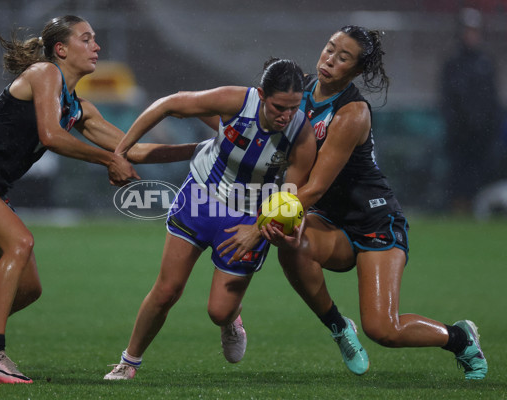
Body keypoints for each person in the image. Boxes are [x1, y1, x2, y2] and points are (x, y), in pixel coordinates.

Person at [0, 15, 196, 384]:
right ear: (61, 49)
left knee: (28, 288)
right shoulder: (44, 73)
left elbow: (134, 149)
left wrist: (202, 149)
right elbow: (51, 135)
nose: (96, 46)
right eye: (86, 39)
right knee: (20, 242)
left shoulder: (79, 107)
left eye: (95, 39)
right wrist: (108, 159)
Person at [255, 25, 487, 380]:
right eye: (330, 48)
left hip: (374, 221)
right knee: (291, 244)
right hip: (331, 222)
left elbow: (314, 188)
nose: (330, 60)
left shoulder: (352, 113)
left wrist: (256, 224)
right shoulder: (295, 89)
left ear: (358, 70)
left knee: (384, 330)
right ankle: (338, 327)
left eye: (343, 57)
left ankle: (460, 338)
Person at [103, 58, 317, 380]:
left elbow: (288, 198)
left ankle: (232, 319)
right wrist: (120, 151)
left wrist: (258, 231)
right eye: (278, 107)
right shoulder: (236, 101)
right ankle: (128, 362)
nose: (286, 115)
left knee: (219, 311)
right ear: (261, 95)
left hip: (249, 217)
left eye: (293, 107)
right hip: (201, 197)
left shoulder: (301, 134)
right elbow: (169, 104)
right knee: (166, 290)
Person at [440, 8, 501, 215]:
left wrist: (488, 126)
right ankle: (459, 209)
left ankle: (479, 210)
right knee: (459, 176)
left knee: (481, 174)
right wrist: (457, 125)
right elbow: (447, 99)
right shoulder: (452, 62)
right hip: (460, 135)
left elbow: (492, 98)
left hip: (482, 135)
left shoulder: (486, 61)